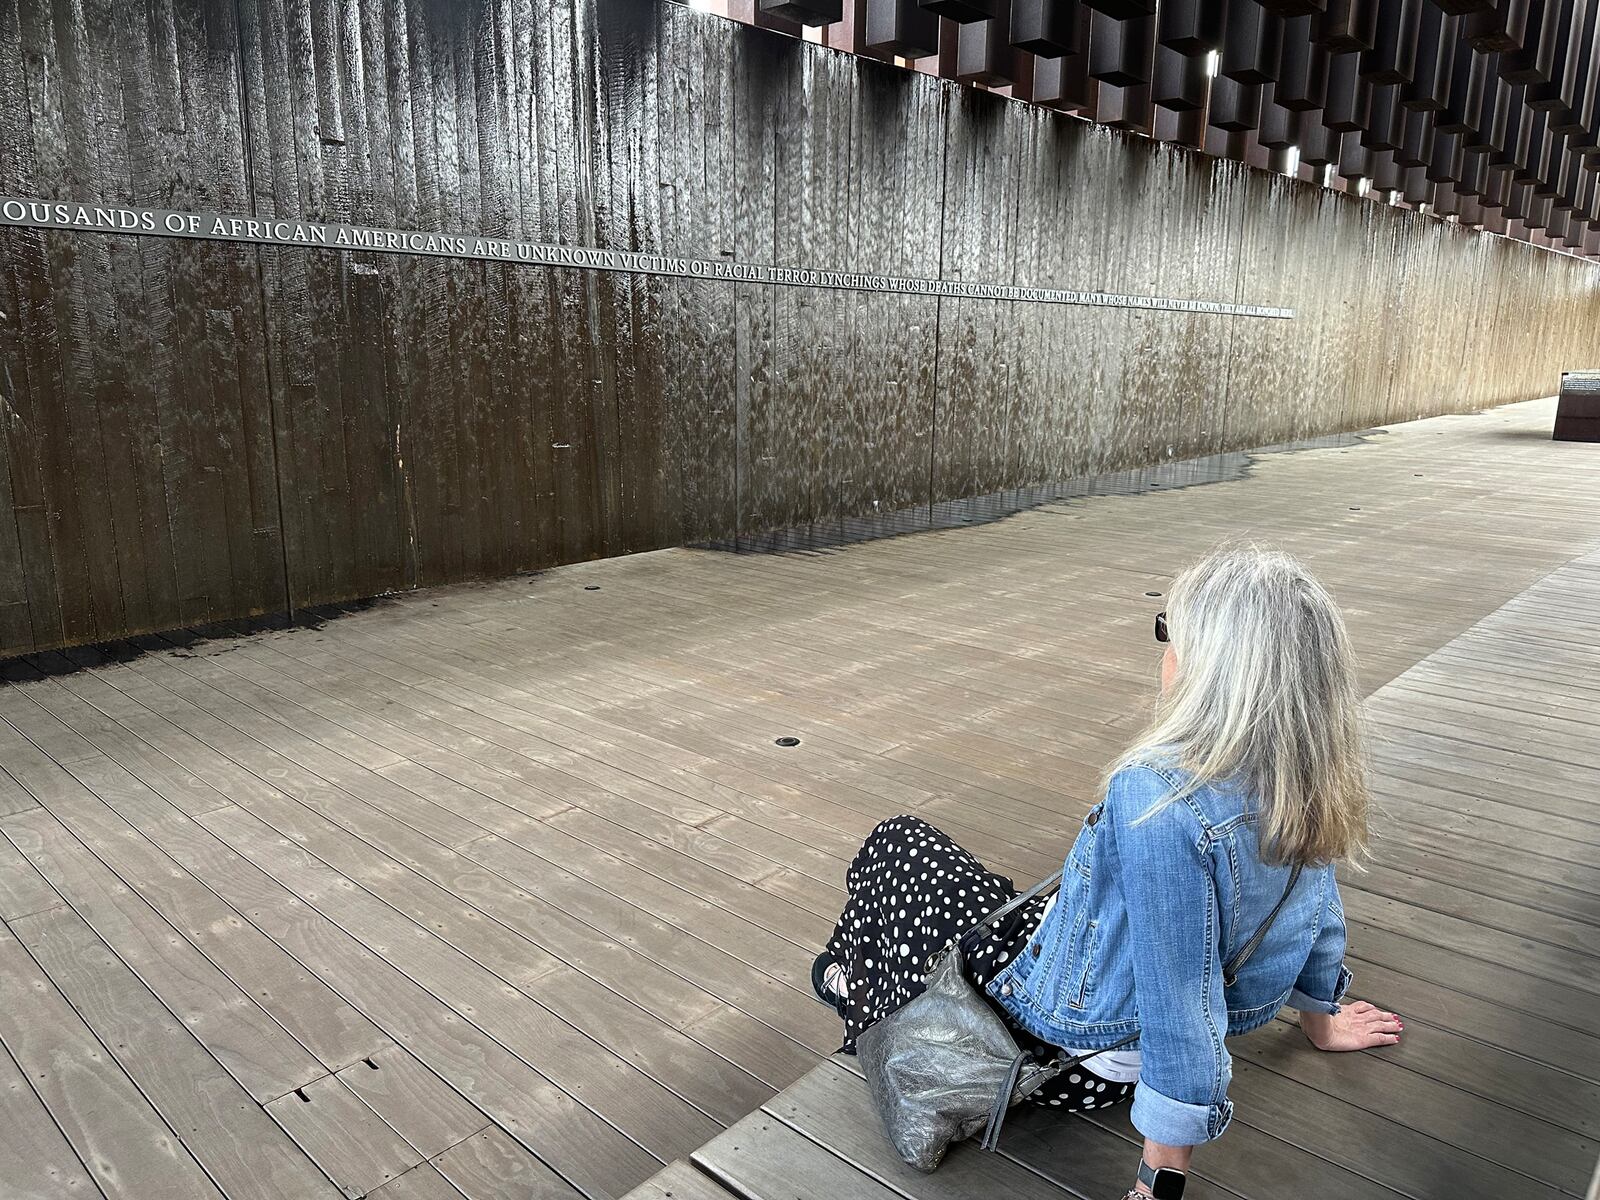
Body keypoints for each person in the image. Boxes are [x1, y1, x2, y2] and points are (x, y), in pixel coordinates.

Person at [813, 546, 1402, 1200]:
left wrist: (1157, 1183)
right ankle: (847, 968)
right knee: (993, 896)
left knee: (898, 847)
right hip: (1112, 1012)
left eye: (1169, 633)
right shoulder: (1306, 777)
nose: (1164, 650)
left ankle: (849, 981)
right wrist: (1322, 1018)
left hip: (1069, 1049)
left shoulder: (1157, 798)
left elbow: (1179, 1000)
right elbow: (1318, 912)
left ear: (1210, 670)